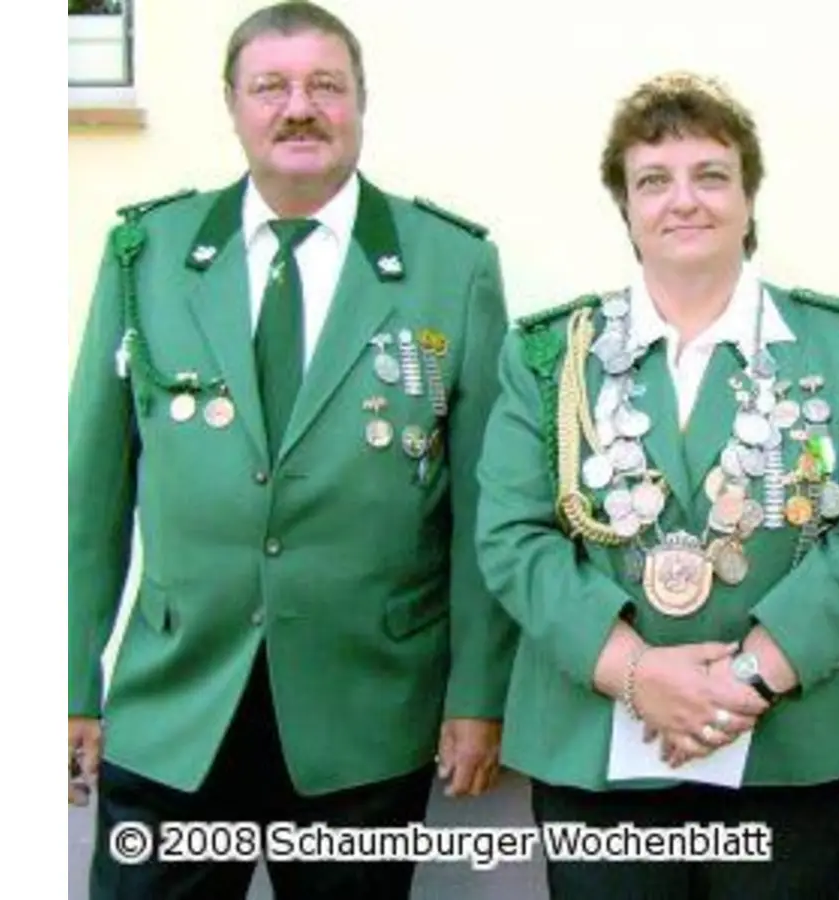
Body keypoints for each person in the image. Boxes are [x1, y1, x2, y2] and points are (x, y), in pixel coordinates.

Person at [67, 3, 517, 897]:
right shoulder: (146, 254)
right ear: (232, 105)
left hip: (367, 711)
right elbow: (91, 494)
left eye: (325, 86)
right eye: (270, 86)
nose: (298, 108)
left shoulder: (449, 263)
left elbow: (483, 505)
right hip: (176, 707)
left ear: (361, 102)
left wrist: (477, 695)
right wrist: (71, 680)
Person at [475, 71, 839, 899]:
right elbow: (511, 535)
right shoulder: (550, 356)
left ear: (750, 199)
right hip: (598, 741)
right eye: (653, 180)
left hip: (793, 739)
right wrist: (639, 674)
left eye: (710, 175)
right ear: (625, 207)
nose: (683, 201)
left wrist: (742, 680)